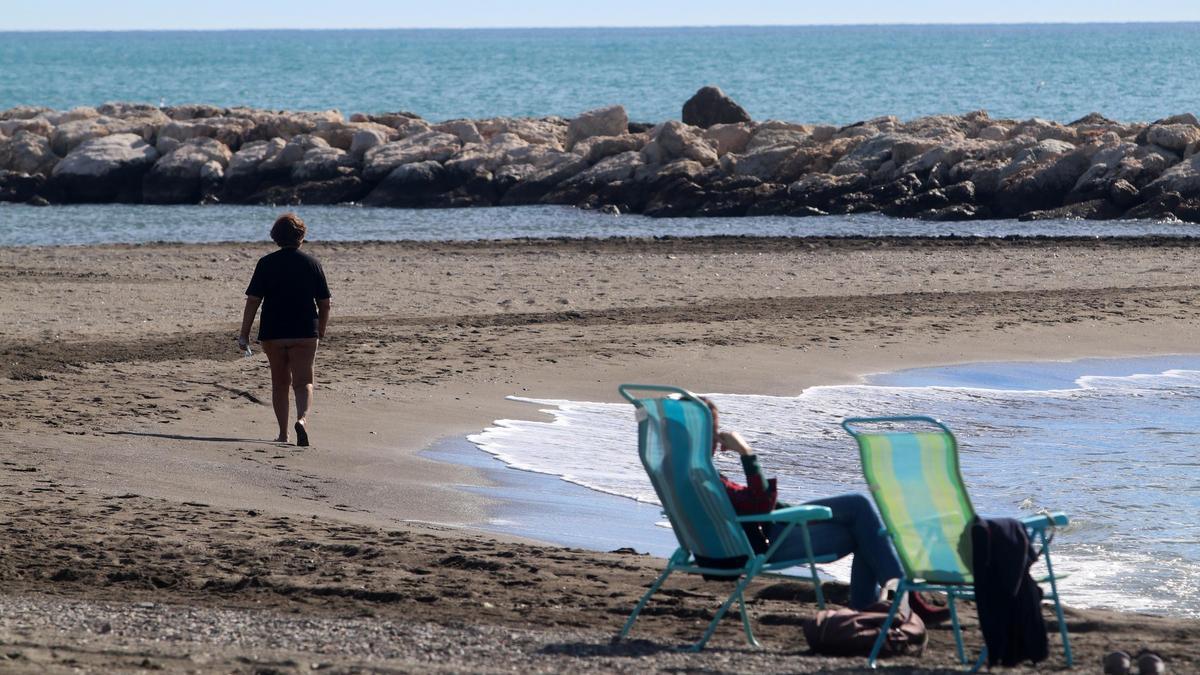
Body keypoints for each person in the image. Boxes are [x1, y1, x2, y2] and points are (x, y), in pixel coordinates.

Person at [702, 397, 948, 623]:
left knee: (863, 521)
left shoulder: (682, 472)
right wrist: (746, 453)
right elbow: (759, 503)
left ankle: (878, 605)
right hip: (765, 542)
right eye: (712, 432)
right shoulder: (703, 477)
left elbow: (750, 504)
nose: (716, 439)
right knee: (862, 516)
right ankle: (900, 598)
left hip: (757, 532)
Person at [238, 213, 331, 446]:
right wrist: (321, 329)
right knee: (304, 382)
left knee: (279, 384)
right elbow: (324, 302)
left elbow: (253, 300)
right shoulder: (312, 264)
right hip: (305, 331)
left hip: (274, 332)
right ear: (301, 236)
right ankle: (302, 420)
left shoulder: (266, 263)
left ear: (276, 237)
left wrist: (244, 333)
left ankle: (282, 434)